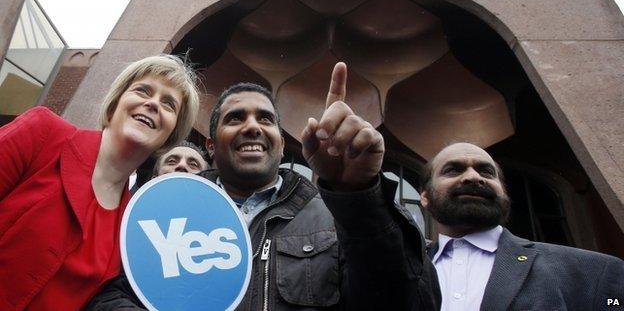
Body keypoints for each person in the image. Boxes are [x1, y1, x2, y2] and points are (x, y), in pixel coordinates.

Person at [87, 62, 440, 310]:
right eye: (235, 118)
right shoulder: (165, 213)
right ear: (211, 146)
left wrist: (357, 197)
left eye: (265, 119)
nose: (252, 127)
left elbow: (401, 300)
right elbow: (107, 294)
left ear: (281, 144)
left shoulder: (334, 218)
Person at [0, 54, 200, 311]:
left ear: (171, 134)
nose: (153, 104)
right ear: (115, 103)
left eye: (169, 104)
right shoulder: (43, 132)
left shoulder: (134, 227)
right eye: (143, 90)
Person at [421, 142, 624, 311]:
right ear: (425, 197)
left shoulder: (595, 272)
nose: (474, 177)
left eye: (486, 171)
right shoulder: (401, 272)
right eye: (453, 170)